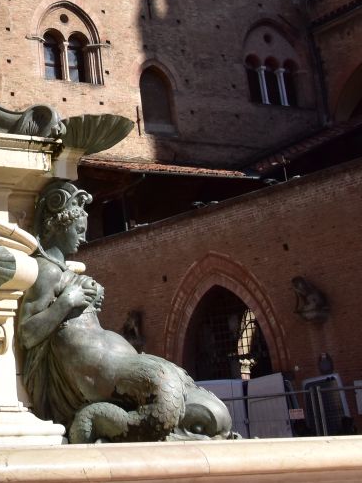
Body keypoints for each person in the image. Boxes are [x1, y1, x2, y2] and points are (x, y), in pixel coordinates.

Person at [18, 180, 232, 443]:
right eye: (79, 229)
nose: (84, 237)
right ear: (60, 225)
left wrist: (88, 301)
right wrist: (67, 302)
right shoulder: (46, 270)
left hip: (119, 365)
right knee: (173, 398)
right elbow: (27, 333)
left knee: (213, 412)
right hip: (100, 373)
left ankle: (196, 433)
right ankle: (191, 435)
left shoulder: (63, 271)